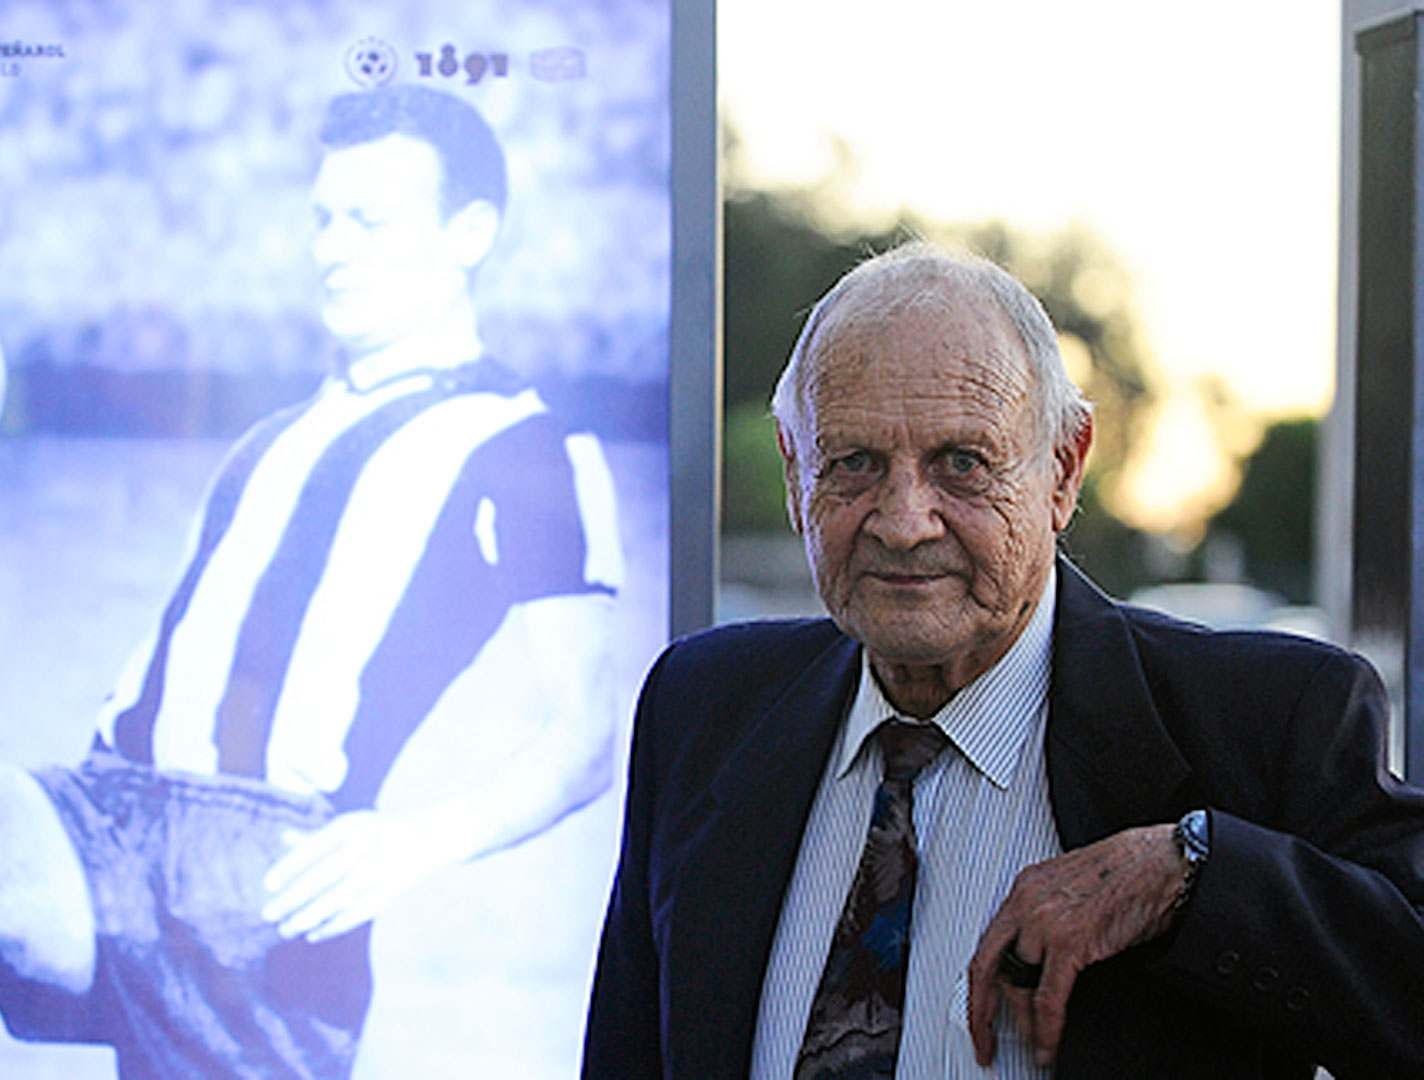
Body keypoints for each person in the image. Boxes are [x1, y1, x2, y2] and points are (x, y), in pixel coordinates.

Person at [0, 84, 623, 1079]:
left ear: (469, 230)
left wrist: (410, 847)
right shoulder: (272, 436)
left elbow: (587, 733)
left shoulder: (527, 445)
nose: (331, 246)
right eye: (321, 218)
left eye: (369, 219)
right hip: (106, 818)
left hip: (261, 884)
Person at [582, 242, 1424, 1078]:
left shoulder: (1261, 722)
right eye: (856, 464)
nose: (905, 520)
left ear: (1063, 469)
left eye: (962, 463)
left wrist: (1189, 870)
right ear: (795, 470)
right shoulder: (701, 708)